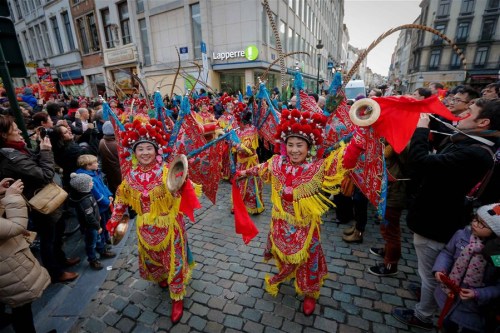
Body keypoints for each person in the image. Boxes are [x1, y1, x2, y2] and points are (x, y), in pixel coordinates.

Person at [235, 108, 367, 316]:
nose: (295, 150)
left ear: (309, 147)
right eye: (291, 145)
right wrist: (241, 173)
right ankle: (287, 272)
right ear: (284, 146)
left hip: (305, 226)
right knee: (283, 253)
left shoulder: (316, 169)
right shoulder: (276, 162)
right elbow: (260, 169)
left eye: (300, 145)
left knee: (309, 258)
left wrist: (359, 140)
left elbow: (343, 162)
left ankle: (310, 292)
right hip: (280, 220)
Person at [392, 98, 500, 330]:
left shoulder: (476, 152)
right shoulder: (473, 143)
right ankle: (426, 294)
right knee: (429, 269)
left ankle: (423, 314)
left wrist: (420, 129)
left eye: (468, 112)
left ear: (484, 122)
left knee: (432, 272)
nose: (460, 115)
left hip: (436, 220)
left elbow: (421, 162)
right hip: (437, 216)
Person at [107, 117, 198, 324]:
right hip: (145, 228)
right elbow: (121, 199)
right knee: (153, 260)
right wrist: (113, 221)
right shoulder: (130, 177)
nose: (145, 153)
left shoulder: (167, 172)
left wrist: (183, 182)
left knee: (174, 262)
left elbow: (184, 192)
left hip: (169, 226)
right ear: (134, 152)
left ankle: (177, 297)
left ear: (157, 150)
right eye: (141, 149)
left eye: (149, 148)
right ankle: (162, 279)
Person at [0, 115, 79, 283]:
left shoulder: (17, 148)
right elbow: (44, 174)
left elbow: (34, 165)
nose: (20, 131)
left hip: (46, 198)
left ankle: (61, 260)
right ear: (4, 135)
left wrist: (39, 148)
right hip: (39, 203)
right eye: (15, 129)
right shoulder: (10, 157)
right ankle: (55, 272)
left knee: (58, 232)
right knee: (48, 239)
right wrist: (45, 151)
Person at [433, 203, 500, 333]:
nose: (475, 224)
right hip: (449, 296)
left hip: (474, 309)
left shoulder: (496, 256)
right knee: (447, 324)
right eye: (475, 219)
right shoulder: (462, 235)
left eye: (482, 224)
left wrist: (478, 294)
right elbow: (447, 253)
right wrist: (440, 269)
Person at [0, 178, 52, 333]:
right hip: (7, 266)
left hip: (8, 261)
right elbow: (17, 227)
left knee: (22, 308)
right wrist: (12, 197)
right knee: (20, 308)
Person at [69, 173, 115, 270]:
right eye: (90, 182)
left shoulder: (87, 193)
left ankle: (101, 250)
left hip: (95, 223)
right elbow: (89, 216)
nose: (92, 183)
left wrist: (98, 217)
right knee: (91, 243)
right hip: (91, 227)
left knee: (97, 239)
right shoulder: (84, 200)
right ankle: (92, 259)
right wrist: (97, 226)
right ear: (83, 186)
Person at [75, 154, 115, 244]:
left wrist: (109, 194)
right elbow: (96, 193)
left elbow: (103, 185)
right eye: (95, 162)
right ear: (88, 166)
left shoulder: (95, 172)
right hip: (99, 207)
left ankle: (106, 237)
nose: (97, 164)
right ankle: (103, 245)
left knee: (106, 223)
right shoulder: (86, 178)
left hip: (104, 204)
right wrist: (107, 202)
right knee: (102, 225)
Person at [233, 107, 264, 214]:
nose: (237, 123)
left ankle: (252, 206)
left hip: (250, 163)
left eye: (238, 121)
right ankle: (238, 204)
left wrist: (234, 144)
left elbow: (248, 150)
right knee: (239, 183)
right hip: (240, 162)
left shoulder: (251, 131)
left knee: (250, 183)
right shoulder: (237, 130)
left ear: (243, 121)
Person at [98, 121, 121, 195]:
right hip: (120, 172)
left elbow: (100, 159)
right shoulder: (118, 144)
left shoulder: (101, 142)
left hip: (109, 173)